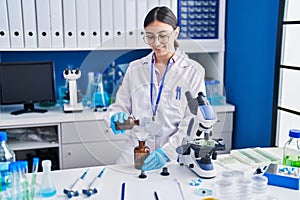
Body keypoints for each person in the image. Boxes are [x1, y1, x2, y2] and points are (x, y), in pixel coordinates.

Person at [104, 6, 206, 171]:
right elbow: (119, 107)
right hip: (134, 152)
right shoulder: (135, 68)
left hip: (172, 158)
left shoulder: (192, 72)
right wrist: (116, 118)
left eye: (163, 36)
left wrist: (166, 154)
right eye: (150, 37)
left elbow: (192, 123)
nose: (156, 43)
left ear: (176, 32)